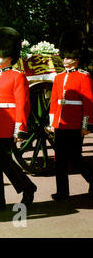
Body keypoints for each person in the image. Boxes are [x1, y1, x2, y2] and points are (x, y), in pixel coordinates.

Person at [0, 26, 37, 211]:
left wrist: (19, 128)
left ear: (10, 56)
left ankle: (27, 187)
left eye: (0, 56)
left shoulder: (17, 76)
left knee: (4, 162)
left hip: (7, 125)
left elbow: (22, 103)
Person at [49, 29, 93, 200]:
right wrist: (52, 122)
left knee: (75, 158)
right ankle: (62, 192)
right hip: (60, 122)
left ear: (76, 59)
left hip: (75, 123)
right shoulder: (58, 78)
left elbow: (89, 103)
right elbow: (54, 101)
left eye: (68, 57)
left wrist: (86, 125)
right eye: (64, 57)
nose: (65, 60)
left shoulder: (84, 77)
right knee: (59, 159)